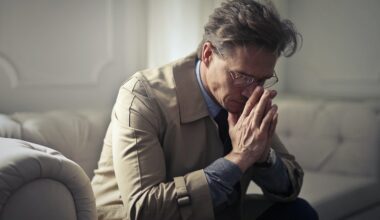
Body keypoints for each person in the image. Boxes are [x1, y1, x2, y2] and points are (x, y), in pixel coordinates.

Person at [91, 0, 318, 219]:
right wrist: (239, 158)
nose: (252, 92)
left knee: (299, 212)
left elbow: (291, 185)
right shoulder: (142, 95)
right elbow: (144, 210)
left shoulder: (246, 96)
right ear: (208, 54)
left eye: (262, 80)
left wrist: (263, 155)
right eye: (242, 77)